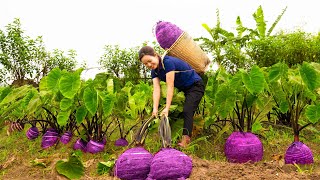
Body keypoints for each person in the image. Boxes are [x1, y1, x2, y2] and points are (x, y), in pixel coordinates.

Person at [138, 46, 205, 148]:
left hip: (195, 85)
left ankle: (185, 140)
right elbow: (156, 90)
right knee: (177, 112)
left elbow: (170, 86)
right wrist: (155, 109)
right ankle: (173, 138)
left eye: (150, 61)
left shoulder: (167, 63)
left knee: (187, 110)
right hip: (184, 89)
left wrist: (167, 108)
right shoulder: (154, 71)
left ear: (155, 55)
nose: (149, 65)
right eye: (145, 64)